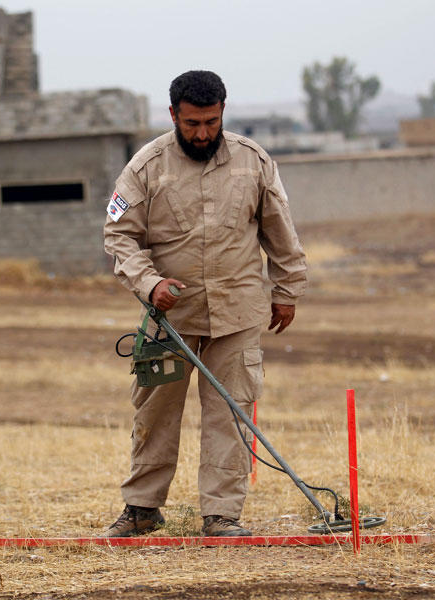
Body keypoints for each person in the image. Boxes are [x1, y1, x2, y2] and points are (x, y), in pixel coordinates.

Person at [103, 70, 307, 537]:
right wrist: (149, 283)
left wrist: (287, 289)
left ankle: (221, 516)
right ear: (173, 114)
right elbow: (118, 236)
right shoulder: (145, 167)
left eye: (211, 122)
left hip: (237, 314)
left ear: (222, 113)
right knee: (154, 414)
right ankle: (142, 508)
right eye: (192, 123)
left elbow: (281, 231)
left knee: (230, 414)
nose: (202, 133)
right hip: (168, 319)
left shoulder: (253, 161)